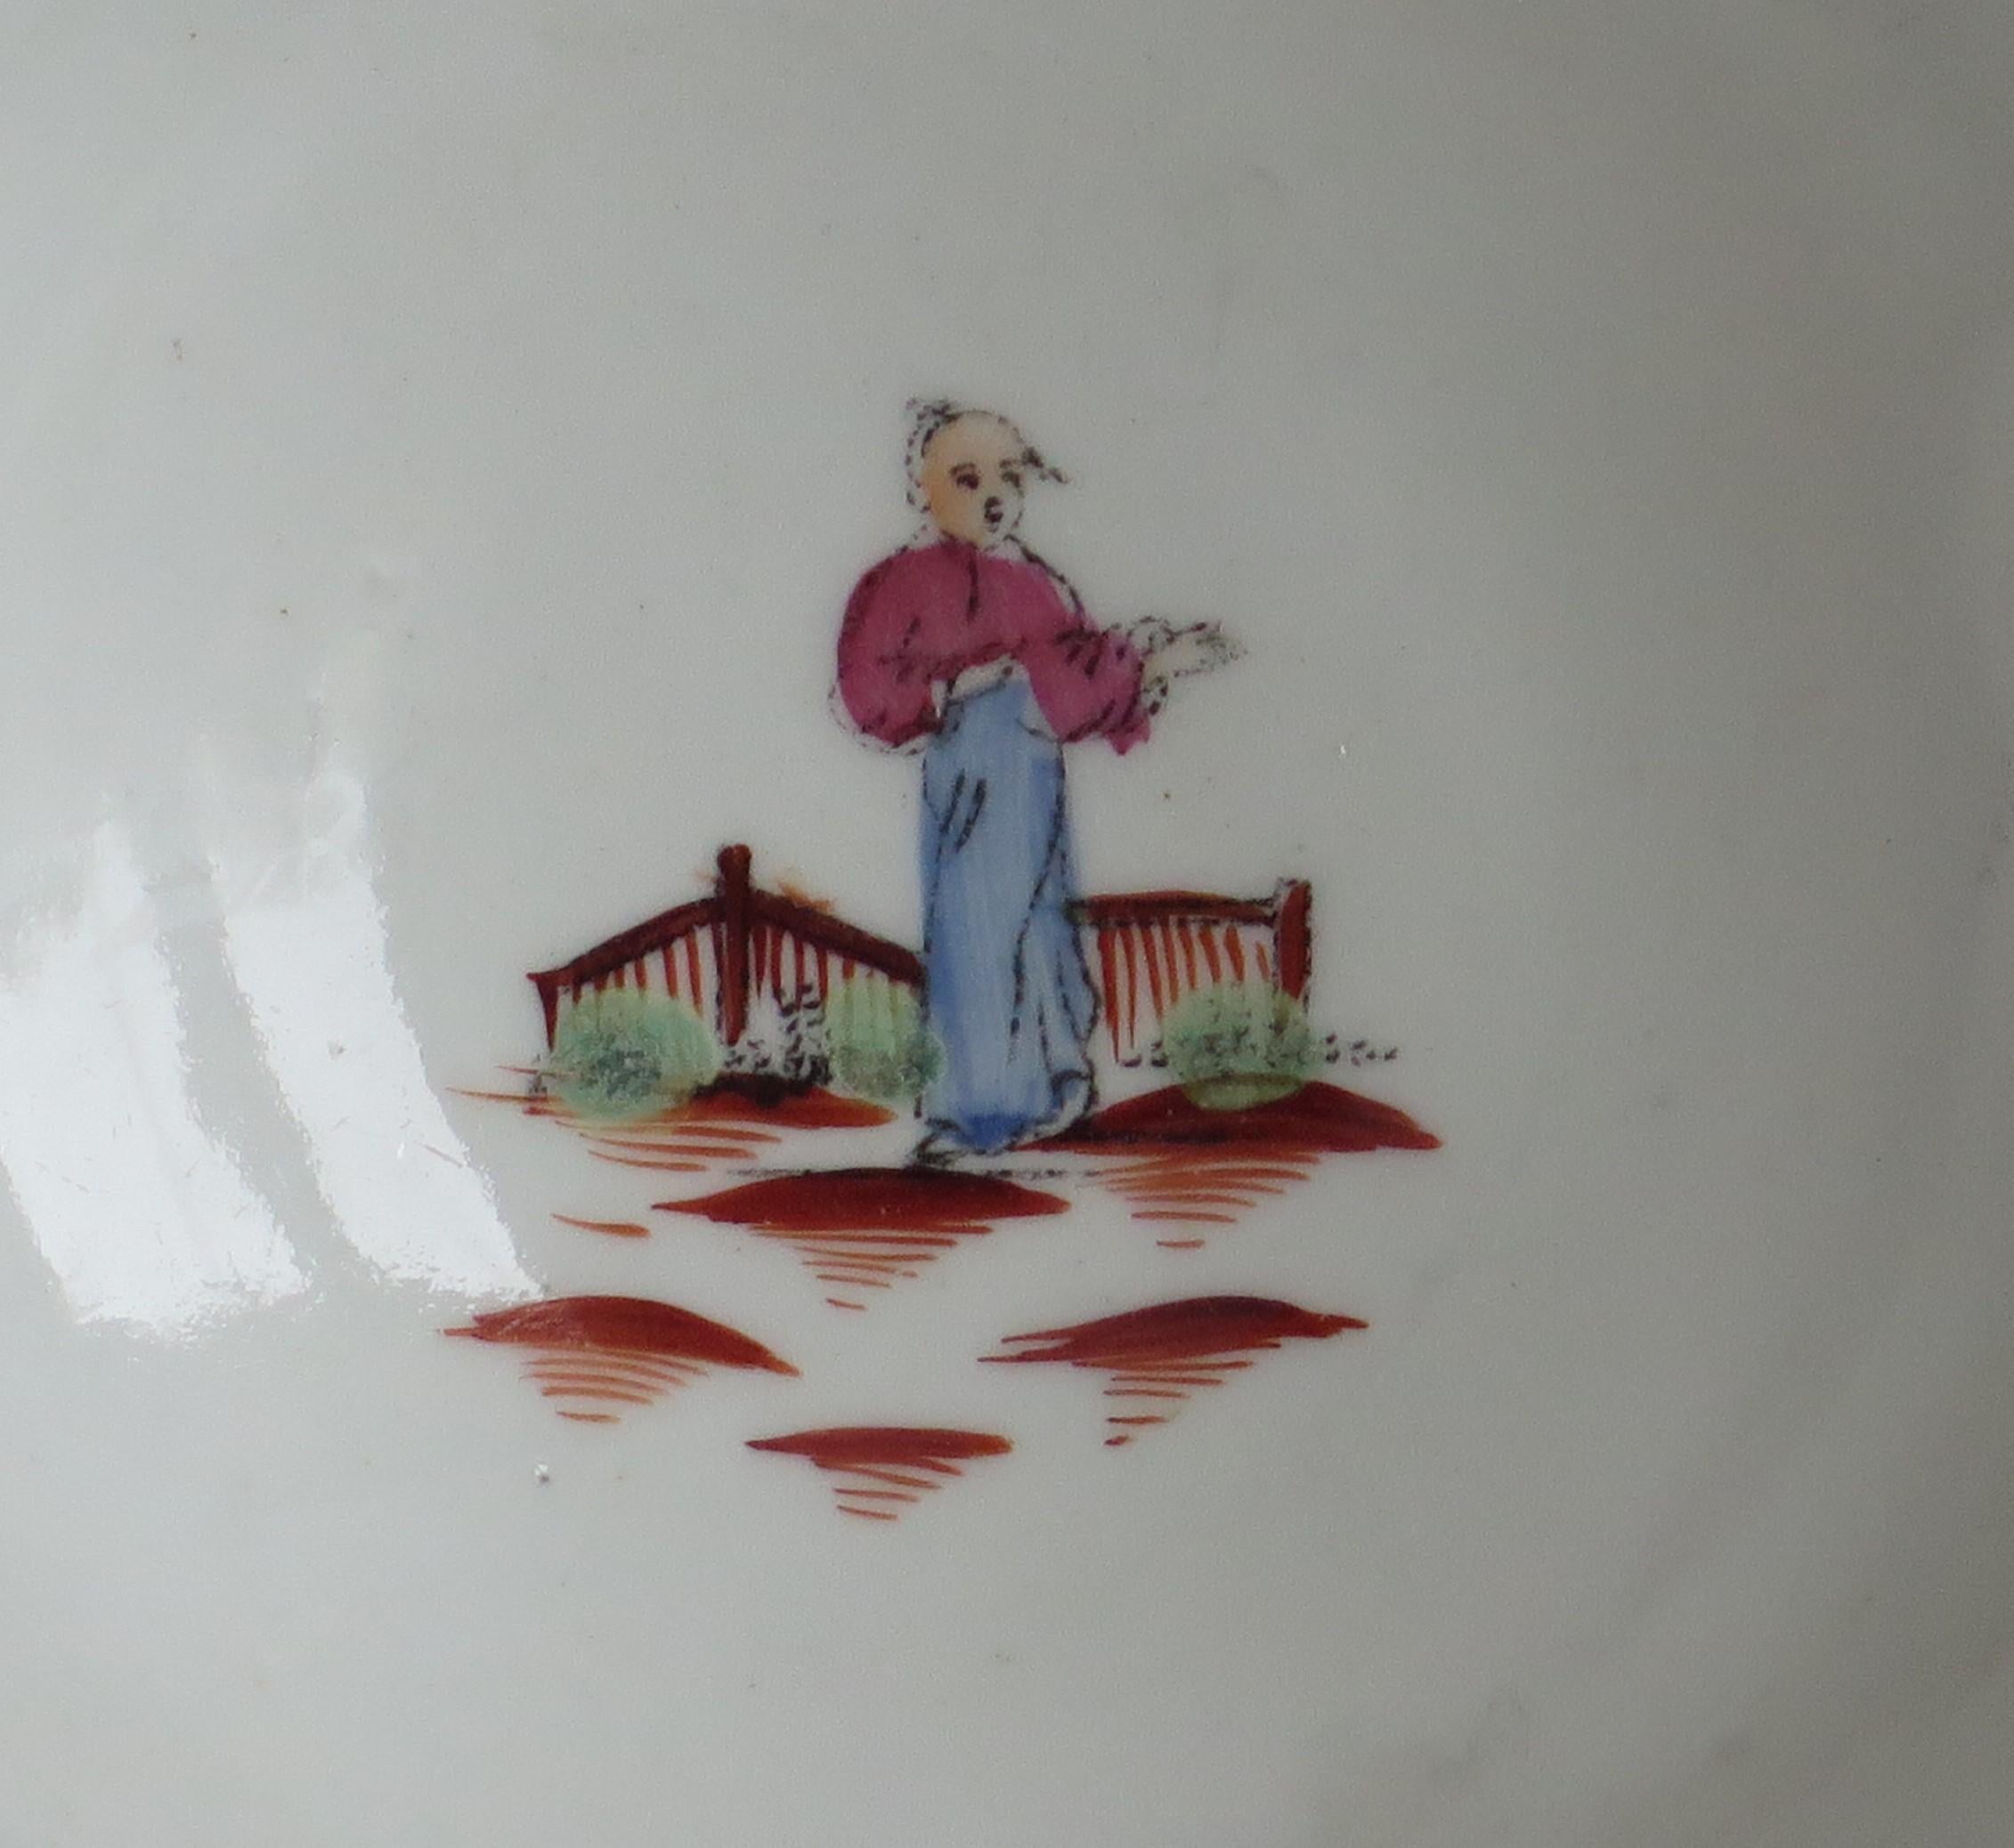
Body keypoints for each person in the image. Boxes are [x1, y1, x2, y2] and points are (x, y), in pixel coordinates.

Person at [835, 401, 1237, 1156]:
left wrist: (1151, 662)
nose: (994, 498)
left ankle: (1055, 1087)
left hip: (1032, 770)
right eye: (967, 479)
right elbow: (868, 687)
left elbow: (1075, 682)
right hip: (970, 771)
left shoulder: (1036, 584)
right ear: (921, 485)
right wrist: (958, 688)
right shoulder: (899, 582)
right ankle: (978, 1109)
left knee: (1040, 929)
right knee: (978, 931)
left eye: (1010, 479)